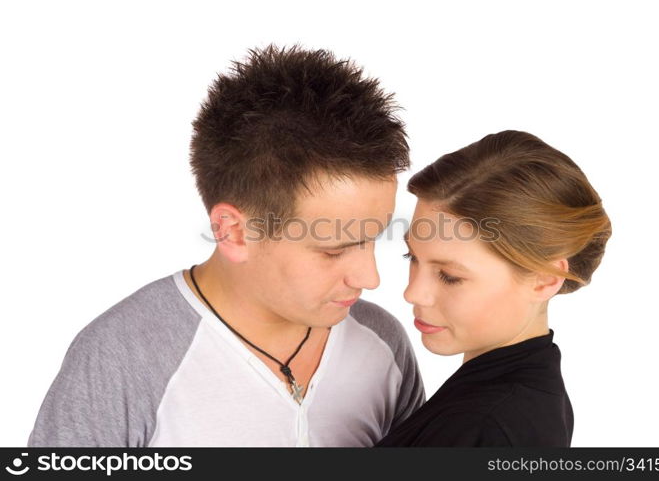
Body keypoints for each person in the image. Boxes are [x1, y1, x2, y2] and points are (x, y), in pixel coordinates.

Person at [28, 45, 425, 447]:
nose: (370, 278)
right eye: (334, 249)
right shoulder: (121, 359)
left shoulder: (382, 342)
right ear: (233, 231)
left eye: (374, 238)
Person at [375, 130, 612, 447]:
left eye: (449, 276)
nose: (413, 293)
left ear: (545, 279)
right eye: (413, 257)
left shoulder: (486, 425)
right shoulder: (514, 398)